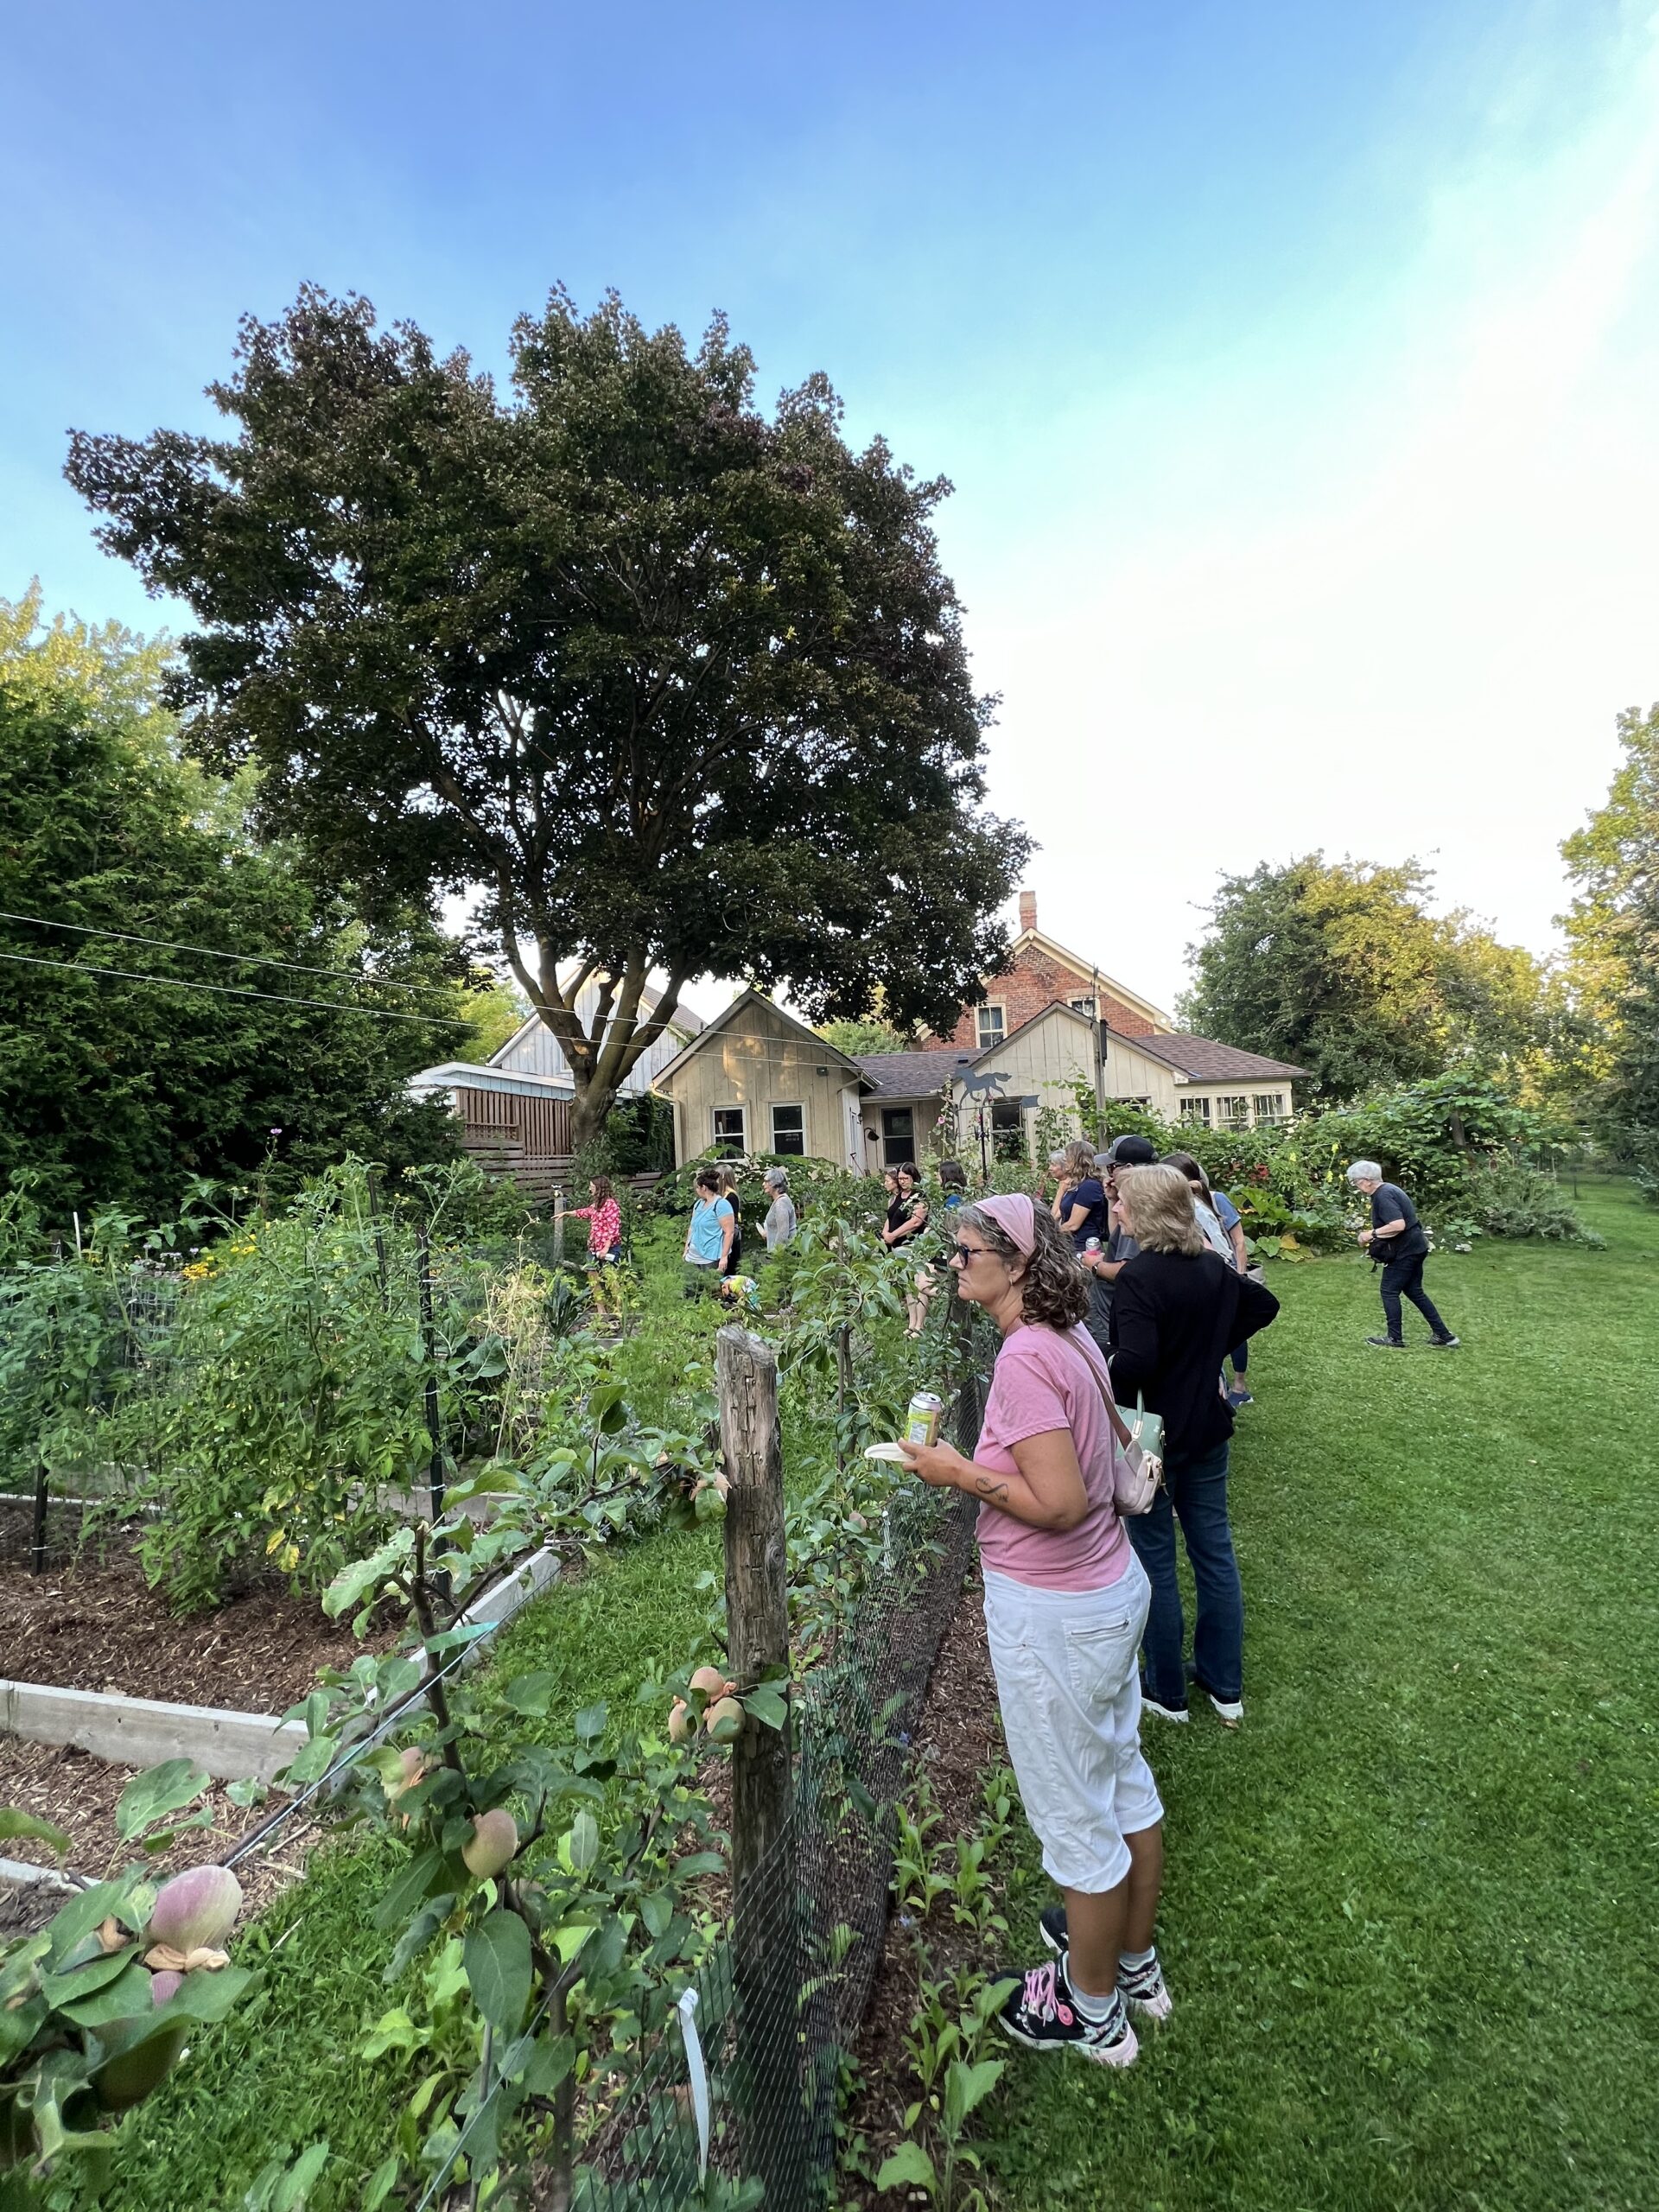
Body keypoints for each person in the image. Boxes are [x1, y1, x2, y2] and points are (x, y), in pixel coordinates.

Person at [899, 1192, 1168, 2068]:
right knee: (1122, 1776)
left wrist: (955, 1470)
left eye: (966, 1249)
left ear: (1016, 1262)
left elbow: (1058, 1502)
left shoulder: (1022, 1359)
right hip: (1109, 1586)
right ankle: (1134, 1966)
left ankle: (1091, 2013)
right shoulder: (1071, 1337)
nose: (954, 1262)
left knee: (1072, 1812)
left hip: (1058, 1610)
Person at [1109, 1163, 1279, 1726]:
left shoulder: (1138, 1276)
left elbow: (1133, 1363)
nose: (1116, 1211)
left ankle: (1166, 1691)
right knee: (1214, 1550)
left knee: (1155, 1557)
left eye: (1123, 1203)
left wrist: (1099, 1378)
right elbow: (1263, 1304)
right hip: (1208, 1427)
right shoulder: (1210, 1265)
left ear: (1145, 1213)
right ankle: (1223, 1684)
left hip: (1152, 1435)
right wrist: (1207, 1353)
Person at [1163, 1152, 1256, 1409]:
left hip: (1223, 1272)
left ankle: (1238, 1385)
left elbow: (1237, 1241)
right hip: (1211, 1275)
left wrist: (1239, 1274)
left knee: (1231, 1332)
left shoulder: (1215, 1200)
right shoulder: (1179, 1206)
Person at [1346, 1160, 1459, 1350]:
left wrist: (1370, 1235)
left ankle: (1394, 1338)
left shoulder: (1383, 1196)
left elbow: (1398, 1225)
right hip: (1416, 1247)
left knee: (1389, 1291)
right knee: (1414, 1291)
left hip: (1405, 1252)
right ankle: (1444, 1335)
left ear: (1366, 1181)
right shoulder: (1389, 1189)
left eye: (1355, 1182)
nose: (1356, 1186)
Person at [1077, 1134, 1157, 1350]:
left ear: (1128, 1168)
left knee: (1112, 1363)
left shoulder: (1140, 1204)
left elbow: (1126, 1269)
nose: (1108, 1173)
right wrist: (1113, 1198)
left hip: (1118, 1311)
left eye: (1112, 1167)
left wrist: (1094, 1265)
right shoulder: (1150, 1197)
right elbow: (1119, 1237)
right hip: (1120, 1308)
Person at [682, 1166, 734, 1296]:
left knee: (712, 1290)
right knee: (691, 1291)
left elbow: (729, 1232)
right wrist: (686, 1249)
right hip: (693, 1256)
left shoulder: (721, 1204)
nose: (696, 1190)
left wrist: (724, 1257)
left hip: (711, 1256)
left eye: (697, 1188)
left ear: (704, 1188)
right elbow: (692, 1227)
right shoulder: (698, 1204)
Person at [566, 1174, 621, 1263]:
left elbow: (613, 1229)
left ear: (599, 1188)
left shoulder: (611, 1205)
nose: (590, 1189)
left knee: (610, 1275)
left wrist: (606, 1248)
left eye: (592, 1186)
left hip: (609, 1250)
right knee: (593, 1273)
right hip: (595, 1248)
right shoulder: (597, 1204)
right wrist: (567, 1213)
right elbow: (585, 1212)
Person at [761, 1166, 798, 1252]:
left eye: (766, 1181)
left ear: (775, 1183)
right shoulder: (779, 1201)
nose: (763, 1184)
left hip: (783, 1255)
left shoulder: (781, 1203)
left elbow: (783, 1233)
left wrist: (777, 1255)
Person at [718, 1166, 744, 1277]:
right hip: (724, 1237)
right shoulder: (723, 1195)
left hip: (731, 1238)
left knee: (730, 1270)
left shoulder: (731, 1196)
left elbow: (731, 1221)